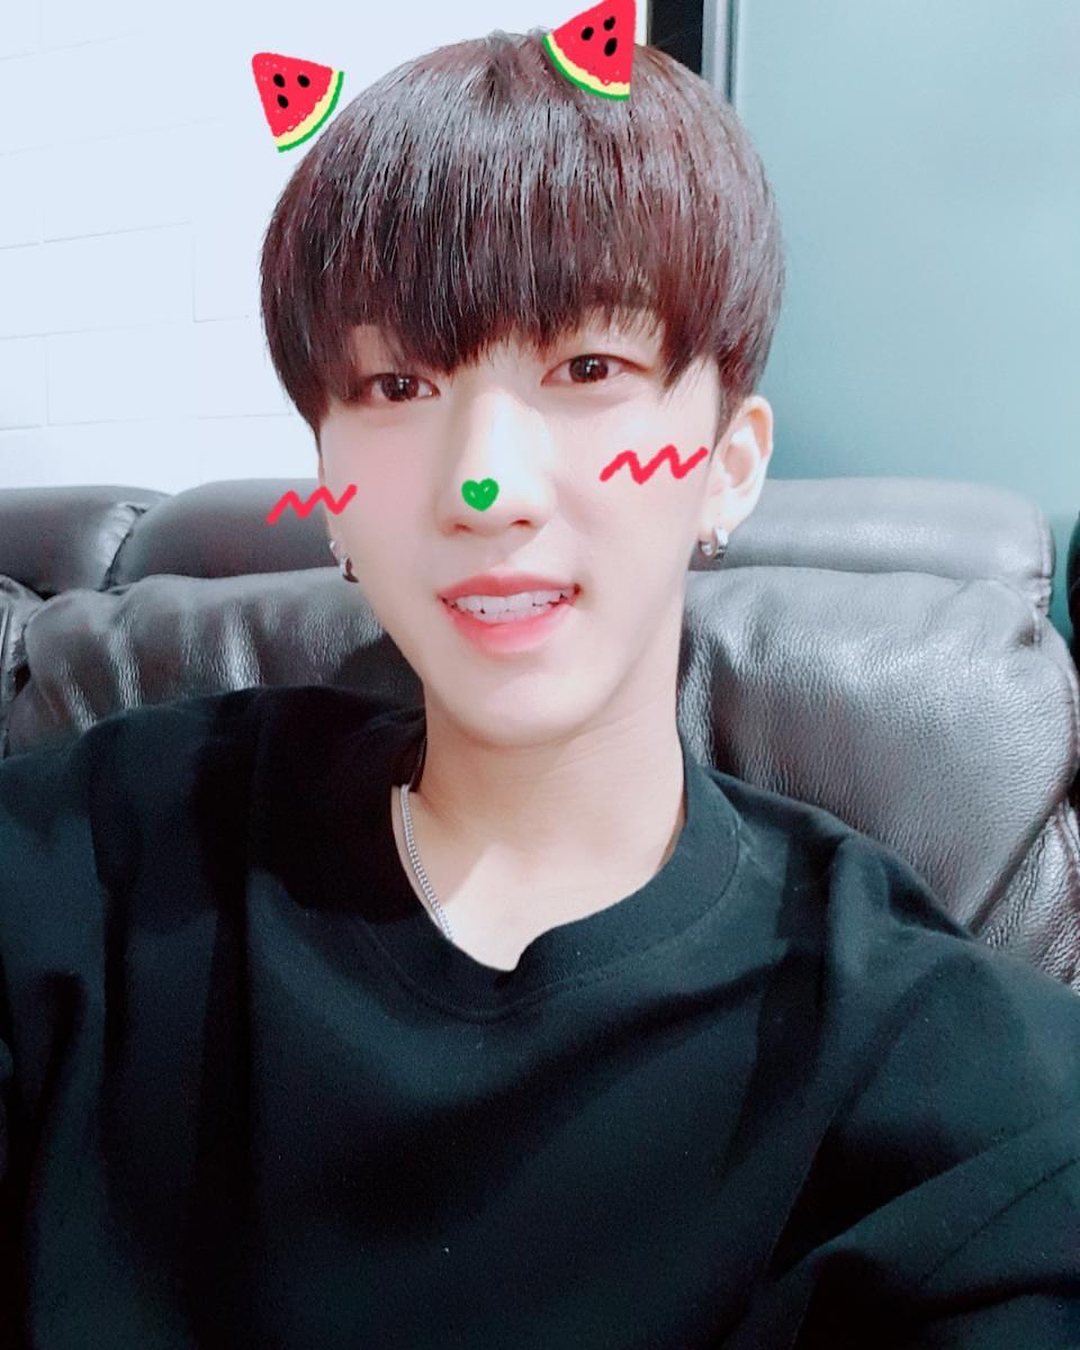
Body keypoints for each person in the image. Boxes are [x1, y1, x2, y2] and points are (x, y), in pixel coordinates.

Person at [1, 27, 1078, 1350]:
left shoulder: (928, 1071)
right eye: (398, 383)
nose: (485, 487)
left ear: (729, 465)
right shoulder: (109, 849)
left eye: (587, 369)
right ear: (331, 488)